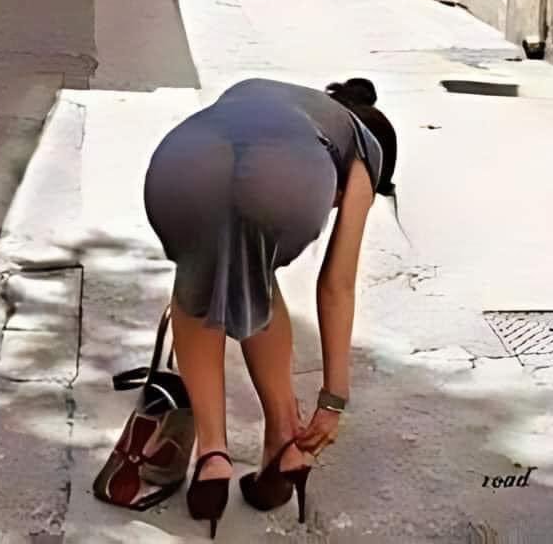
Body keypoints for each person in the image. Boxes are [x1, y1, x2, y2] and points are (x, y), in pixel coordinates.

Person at [144, 76, 397, 537]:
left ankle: (214, 455)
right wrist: (333, 400)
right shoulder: (364, 143)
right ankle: (284, 442)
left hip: (178, 162)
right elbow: (336, 285)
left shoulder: (270, 95)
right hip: (283, 179)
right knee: (250, 269)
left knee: (205, 273)